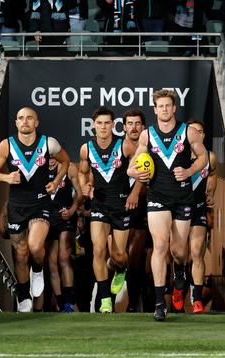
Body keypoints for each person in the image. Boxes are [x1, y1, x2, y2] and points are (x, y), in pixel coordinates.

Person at [127, 89, 208, 321]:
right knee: (160, 246)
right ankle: (160, 303)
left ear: (174, 108)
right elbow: (131, 167)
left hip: (183, 198)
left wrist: (190, 170)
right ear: (155, 110)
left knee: (179, 251)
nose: (164, 109)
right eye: (159, 106)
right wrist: (136, 173)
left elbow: (204, 157)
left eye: (167, 106)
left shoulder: (188, 132)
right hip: (157, 197)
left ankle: (180, 268)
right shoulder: (146, 135)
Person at [0, 107, 70, 312]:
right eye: (21, 118)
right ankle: (24, 295)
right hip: (17, 206)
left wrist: (57, 180)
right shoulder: (6, 145)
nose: (25, 121)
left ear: (36, 122)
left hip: (41, 204)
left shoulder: (48, 143)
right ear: (16, 123)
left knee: (34, 247)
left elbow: (66, 161)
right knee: (21, 254)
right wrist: (7, 177)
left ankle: (38, 270)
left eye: (29, 118)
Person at [79, 107, 141, 313]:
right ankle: (105, 298)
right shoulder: (86, 149)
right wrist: (84, 187)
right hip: (99, 206)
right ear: (93, 125)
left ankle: (121, 269)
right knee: (98, 249)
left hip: (122, 206)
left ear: (113, 125)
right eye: (99, 123)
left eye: (107, 123)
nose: (103, 127)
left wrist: (135, 193)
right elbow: (82, 171)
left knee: (118, 255)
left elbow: (143, 170)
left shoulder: (125, 146)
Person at [185, 119, 217, 314]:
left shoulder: (210, 157)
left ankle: (197, 299)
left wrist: (210, 193)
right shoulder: (177, 157)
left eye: (200, 131)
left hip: (198, 209)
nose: (197, 134)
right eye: (193, 131)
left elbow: (212, 175)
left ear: (203, 136)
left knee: (197, 252)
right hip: (178, 211)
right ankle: (179, 285)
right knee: (178, 255)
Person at [46, 157, 82, 312]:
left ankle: (69, 301)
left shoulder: (70, 168)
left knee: (64, 257)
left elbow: (79, 194)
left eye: (53, 157)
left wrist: (73, 210)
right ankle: (61, 302)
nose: (50, 160)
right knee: (52, 262)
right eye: (48, 157)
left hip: (66, 216)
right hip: (47, 218)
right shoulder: (37, 169)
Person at [122, 108, 147, 312]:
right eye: (130, 124)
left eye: (137, 123)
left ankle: (134, 303)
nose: (134, 127)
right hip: (120, 206)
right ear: (124, 127)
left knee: (137, 258)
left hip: (146, 206)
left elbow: (144, 176)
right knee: (118, 256)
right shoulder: (118, 146)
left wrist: (136, 193)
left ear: (143, 127)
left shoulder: (149, 146)